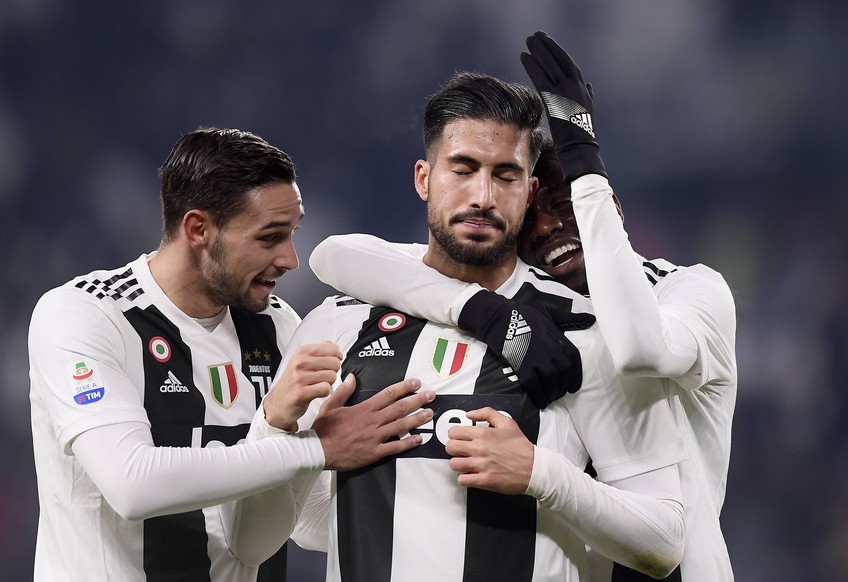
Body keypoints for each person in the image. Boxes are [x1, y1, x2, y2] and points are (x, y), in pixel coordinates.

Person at [307, 31, 738, 581]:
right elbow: (336, 254)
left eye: (567, 205)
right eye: (534, 217)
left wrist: (584, 159)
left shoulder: (689, 291)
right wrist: (481, 309)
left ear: (608, 205)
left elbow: (639, 348)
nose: (552, 229)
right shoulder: (518, 307)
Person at [228, 72, 688, 580]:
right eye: (463, 170)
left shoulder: (581, 329)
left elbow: (663, 541)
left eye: (505, 176)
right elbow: (254, 545)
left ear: (529, 189)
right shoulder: (338, 325)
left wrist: (543, 475)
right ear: (424, 178)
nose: (483, 196)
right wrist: (279, 429)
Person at [27, 127, 435, 582]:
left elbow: (287, 530)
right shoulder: (85, 315)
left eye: (293, 233)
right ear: (199, 229)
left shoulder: (277, 326)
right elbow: (133, 483)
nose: (291, 259)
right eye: (270, 238)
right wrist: (314, 449)